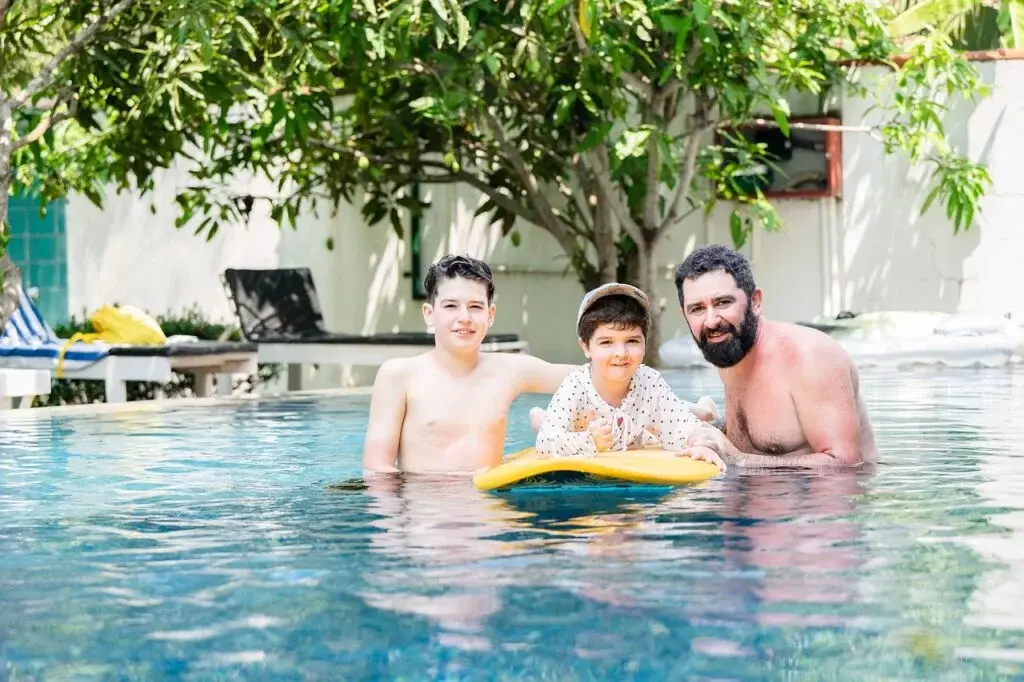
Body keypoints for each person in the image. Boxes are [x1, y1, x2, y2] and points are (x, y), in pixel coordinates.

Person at [361, 254, 576, 474]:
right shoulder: (399, 376)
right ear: (429, 313)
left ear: (490, 315)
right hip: (426, 504)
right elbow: (377, 469)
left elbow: (590, 378)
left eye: (475, 307)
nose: (464, 317)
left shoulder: (510, 370)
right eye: (451, 306)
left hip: (488, 503)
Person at [673, 244, 878, 468]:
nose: (711, 321)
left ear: (755, 301)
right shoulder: (729, 350)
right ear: (684, 314)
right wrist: (706, 429)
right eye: (697, 309)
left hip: (819, 500)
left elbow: (845, 464)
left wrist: (735, 459)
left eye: (723, 302)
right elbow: (758, 431)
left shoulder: (811, 357)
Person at [534, 282, 728, 468]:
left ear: (645, 342)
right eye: (606, 342)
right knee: (543, 424)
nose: (621, 353)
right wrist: (589, 440)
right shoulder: (575, 386)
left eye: (632, 341)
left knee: (704, 416)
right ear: (585, 346)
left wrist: (702, 446)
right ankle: (539, 416)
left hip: (639, 433)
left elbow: (683, 428)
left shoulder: (650, 381)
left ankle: (705, 407)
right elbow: (544, 442)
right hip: (584, 427)